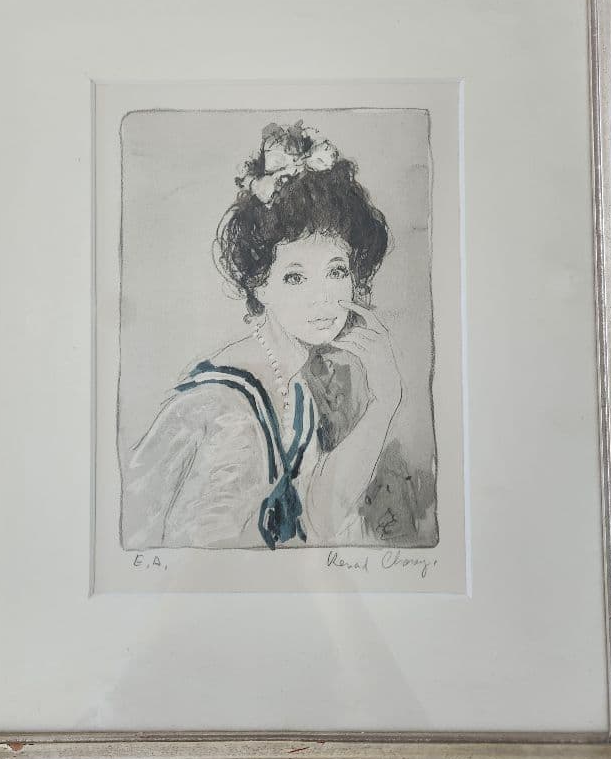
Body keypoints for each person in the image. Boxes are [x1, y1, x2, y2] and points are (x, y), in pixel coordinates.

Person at [119, 119, 404, 550]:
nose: (323, 298)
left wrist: (387, 398)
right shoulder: (226, 405)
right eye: (295, 277)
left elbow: (317, 521)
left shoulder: (298, 390)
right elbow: (195, 552)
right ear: (259, 285)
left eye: (336, 271)